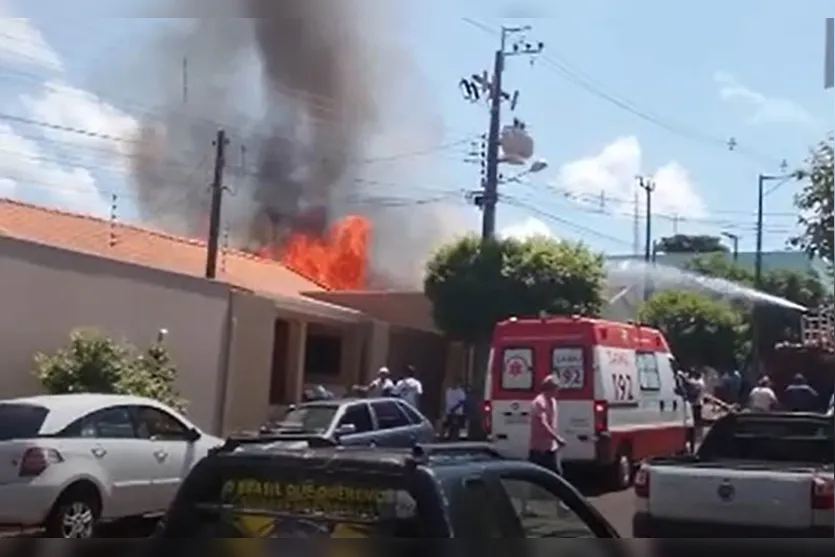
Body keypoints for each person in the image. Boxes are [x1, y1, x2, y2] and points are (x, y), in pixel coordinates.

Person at [528, 375, 566, 475]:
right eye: (556, 388)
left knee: (557, 475)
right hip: (539, 450)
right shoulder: (539, 402)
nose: (557, 391)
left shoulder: (553, 401)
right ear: (550, 388)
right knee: (537, 477)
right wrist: (557, 438)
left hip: (551, 448)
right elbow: (543, 423)